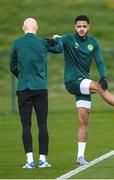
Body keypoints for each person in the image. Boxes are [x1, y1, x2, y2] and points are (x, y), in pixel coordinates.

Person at [47, 15, 114, 165]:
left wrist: (104, 76)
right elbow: (57, 49)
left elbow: (100, 61)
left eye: (84, 26)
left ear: (88, 27)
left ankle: (80, 157)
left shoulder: (94, 43)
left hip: (82, 84)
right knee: (97, 86)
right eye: (78, 26)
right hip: (72, 81)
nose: (81, 29)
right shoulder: (67, 39)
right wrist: (51, 41)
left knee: (84, 122)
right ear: (75, 27)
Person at [10, 18, 62, 169]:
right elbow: (59, 49)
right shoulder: (42, 42)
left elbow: (12, 66)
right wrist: (57, 39)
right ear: (37, 28)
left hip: (24, 88)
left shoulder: (17, 43)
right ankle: (43, 160)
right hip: (40, 88)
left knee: (26, 125)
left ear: (23, 28)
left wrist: (23, 76)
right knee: (42, 124)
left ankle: (30, 161)